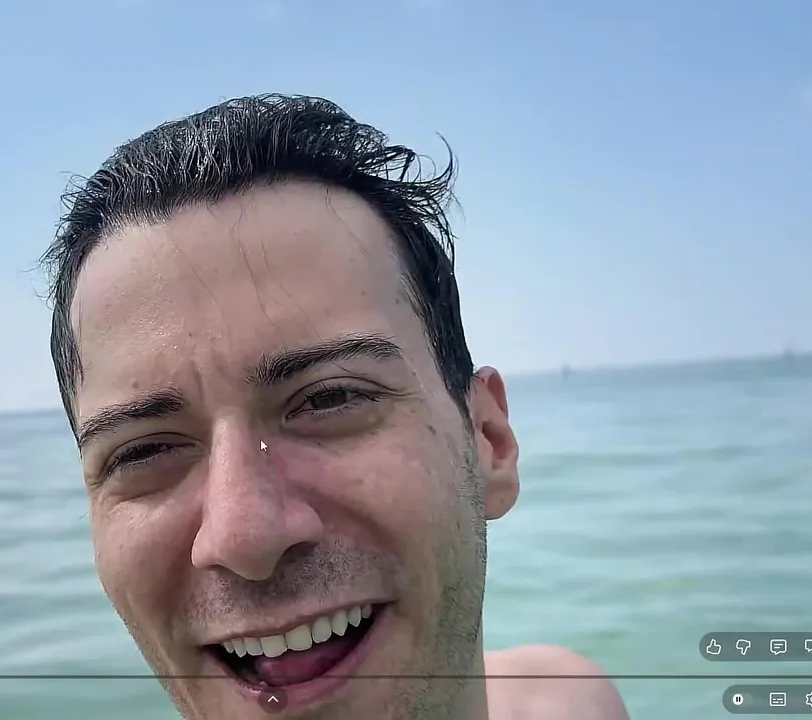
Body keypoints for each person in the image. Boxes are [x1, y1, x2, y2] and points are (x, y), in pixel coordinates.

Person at [41, 94, 630, 719]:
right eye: (144, 451)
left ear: (489, 440)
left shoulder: (572, 700)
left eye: (330, 397)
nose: (245, 536)